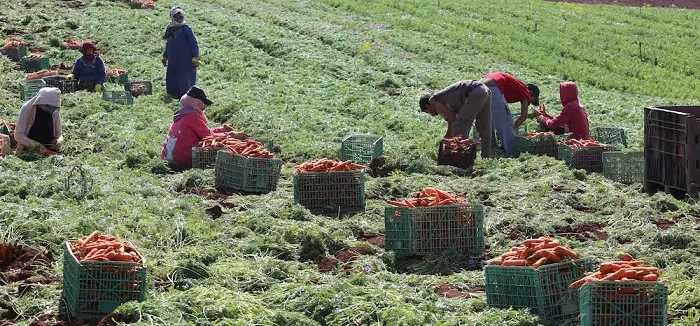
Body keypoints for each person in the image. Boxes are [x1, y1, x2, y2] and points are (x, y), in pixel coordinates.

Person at [161, 86, 246, 169]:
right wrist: (230, 135)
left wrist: (222, 129)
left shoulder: (183, 112)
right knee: (214, 148)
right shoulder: (192, 116)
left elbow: (204, 131)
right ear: (195, 102)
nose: (204, 106)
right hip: (183, 159)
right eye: (203, 103)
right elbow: (208, 136)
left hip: (170, 155)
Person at [419, 80, 492, 158]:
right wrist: (449, 135)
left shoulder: (433, 100)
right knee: (484, 125)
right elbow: (451, 118)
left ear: (427, 106)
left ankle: (460, 159)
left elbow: (452, 118)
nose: (431, 115)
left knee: (459, 126)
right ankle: (486, 157)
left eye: (427, 112)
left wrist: (447, 137)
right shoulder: (445, 100)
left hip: (475, 92)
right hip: (484, 90)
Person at [480, 72, 539, 157]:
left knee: (490, 119)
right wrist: (513, 127)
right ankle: (512, 154)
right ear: (531, 92)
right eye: (532, 100)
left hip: (480, 85)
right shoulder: (525, 91)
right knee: (506, 122)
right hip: (494, 87)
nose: (529, 103)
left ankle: (491, 148)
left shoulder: (517, 86)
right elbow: (523, 116)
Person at [162, 6, 200, 100]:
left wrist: (195, 57)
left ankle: (186, 98)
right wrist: (165, 56)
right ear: (172, 17)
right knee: (172, 78)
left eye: (180, 17)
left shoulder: (186, 29)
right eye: (176, 17)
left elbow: (194, 44)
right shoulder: (170, 28)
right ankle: (174, 95)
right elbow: (168, 44)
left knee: (184, 79)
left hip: (185, 60)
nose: (179, 19)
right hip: (173, 59)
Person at [14, 87, 63, 155]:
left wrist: (59, 140)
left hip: (49, 146)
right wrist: (36, 145)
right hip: (28, 148)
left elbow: (58, 133)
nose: (51, 110)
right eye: (49, 107)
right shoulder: (26, 110)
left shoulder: (54, 112)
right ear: (41, 102)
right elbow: (18, 135)